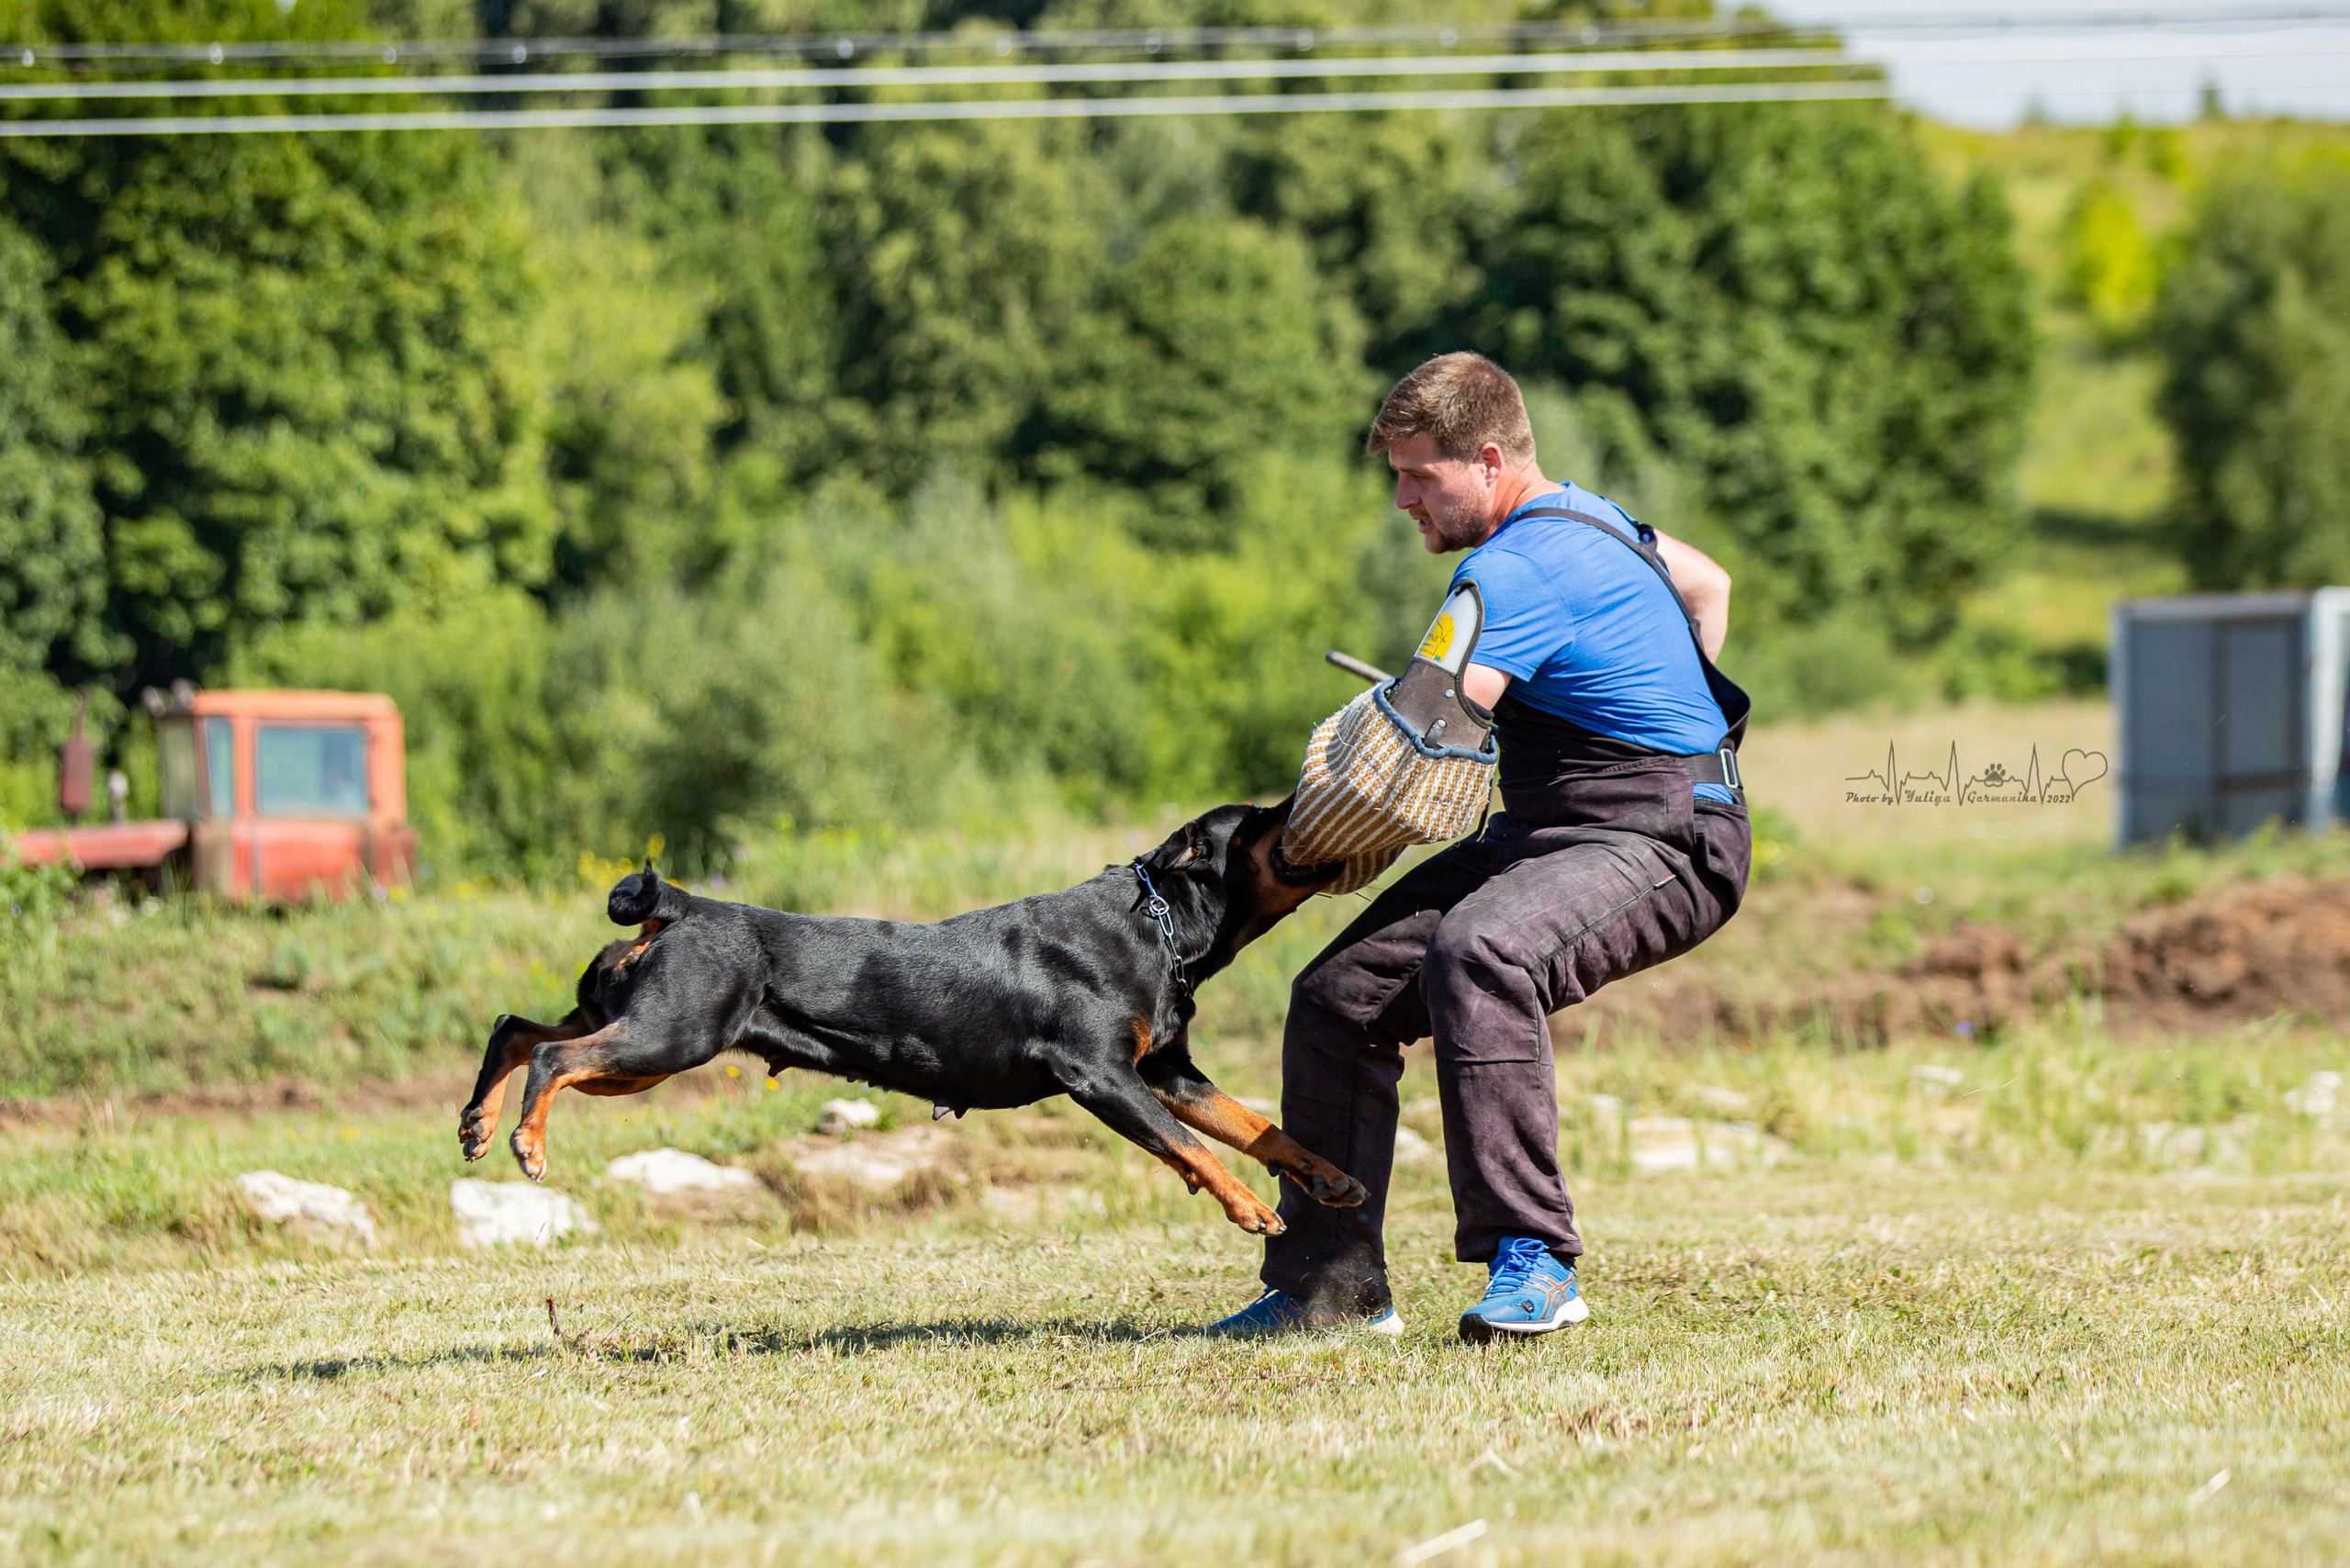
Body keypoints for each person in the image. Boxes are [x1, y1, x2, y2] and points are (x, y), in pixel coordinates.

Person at [1210, 352, 1751, 1344]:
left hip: (1663, 834)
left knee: (1483, 948)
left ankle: (1533, 1263)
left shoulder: (1509, 568)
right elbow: (1707, 584)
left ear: (1490, 458)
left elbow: (1409, 748)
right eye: (1397, 476)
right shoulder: (1592, 516)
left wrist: (1280, 861)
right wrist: (1662, 704)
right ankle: (1329, 1286)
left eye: (1422, 476)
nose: (1404, 499)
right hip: (1569, 824)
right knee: (1339, 999)